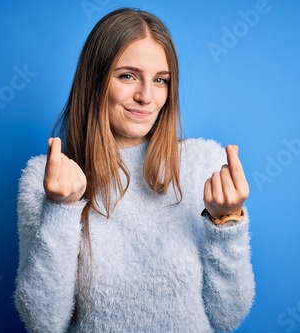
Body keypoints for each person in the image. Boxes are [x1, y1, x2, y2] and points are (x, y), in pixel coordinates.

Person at [15, 7, 255, 333]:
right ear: (96, 80)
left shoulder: (203, 164)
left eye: (160, 80)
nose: (146, 96)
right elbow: (43, 324)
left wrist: (227, 222)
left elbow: (228, 317)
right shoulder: (49, 179)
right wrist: (60, 210)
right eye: (128, 76)